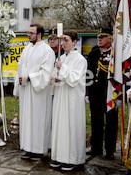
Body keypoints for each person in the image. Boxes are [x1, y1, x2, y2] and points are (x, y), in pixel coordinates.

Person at [13, 24, 55, 160]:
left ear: (39, 35)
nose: (28, 35)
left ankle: (38, 149)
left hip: (38, 92)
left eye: (31, 33)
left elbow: (47, 72)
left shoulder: (46, 50)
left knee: (38, 120)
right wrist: (17, 88)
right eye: (28, 32)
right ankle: (29, 148)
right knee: (27, 120)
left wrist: (30, 77)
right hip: (26, 90)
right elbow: (19, 68)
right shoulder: (26, 49)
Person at [50, 30, 87, 171]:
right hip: (60, 96)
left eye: (66, 40)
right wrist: (55, 76)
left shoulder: (80, 59)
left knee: (71, 127)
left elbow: (74, 78)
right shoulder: (62, 57)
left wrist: (62, 68)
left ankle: (74, 159)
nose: (63, 43)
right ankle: (60, 156)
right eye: (62, 40)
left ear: (74, 41)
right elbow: (57, 73)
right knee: (60, 126)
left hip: (72, 99)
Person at [86, 28, 118, 160]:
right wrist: (87, 92)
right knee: (96, 121)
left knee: (111, 122)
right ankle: (96, 148)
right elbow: (89, 74)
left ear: (110, 39)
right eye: (98, 37)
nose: (99, 39)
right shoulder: (94, 53)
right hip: (95, 92)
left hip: (109, 92)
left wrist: (119, 94)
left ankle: (109, 150)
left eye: (102, 37)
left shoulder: (115, 54)